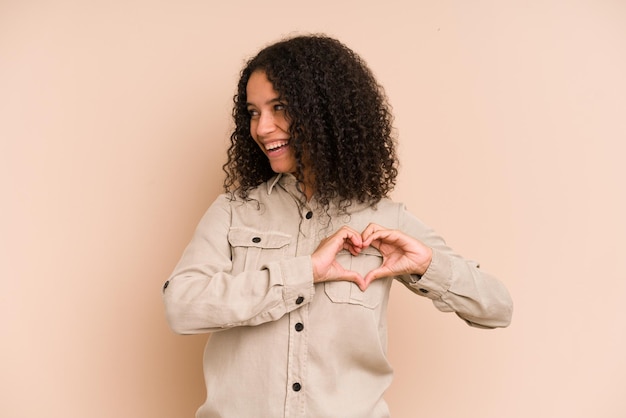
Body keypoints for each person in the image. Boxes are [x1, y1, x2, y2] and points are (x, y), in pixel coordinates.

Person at [162, 34, 513, 418]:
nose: (262, 128)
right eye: (253, 112)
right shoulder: (235, 211)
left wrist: (428, 266)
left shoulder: (385, 220)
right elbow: (182, 306)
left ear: (323, 111)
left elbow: (496, 308)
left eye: (279, 107)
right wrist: (303, 272)